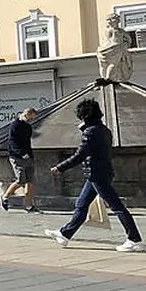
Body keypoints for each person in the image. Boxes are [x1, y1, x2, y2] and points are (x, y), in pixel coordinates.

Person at [45, 99, 143, 252]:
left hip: (97, 174)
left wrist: (60, 167)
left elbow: (80, 155)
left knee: (117, 207)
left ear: (84, 116)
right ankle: (65, 234)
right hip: (100, 173)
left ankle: (134, 239)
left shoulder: (90, 132)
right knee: (82, 205)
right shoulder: (104, 130)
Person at [1, 108, 39, 212]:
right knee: (21, 180)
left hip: (28, 156)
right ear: (27, 114)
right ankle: (5, 197)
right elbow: (12, 142)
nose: (32, 119)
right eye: (31, 117)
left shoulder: (28, 126)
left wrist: (30, 156)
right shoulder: (15, 125)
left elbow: (27, 142)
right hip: (17, 156)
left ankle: (29, 206)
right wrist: (21, 153)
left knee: (30, 181)